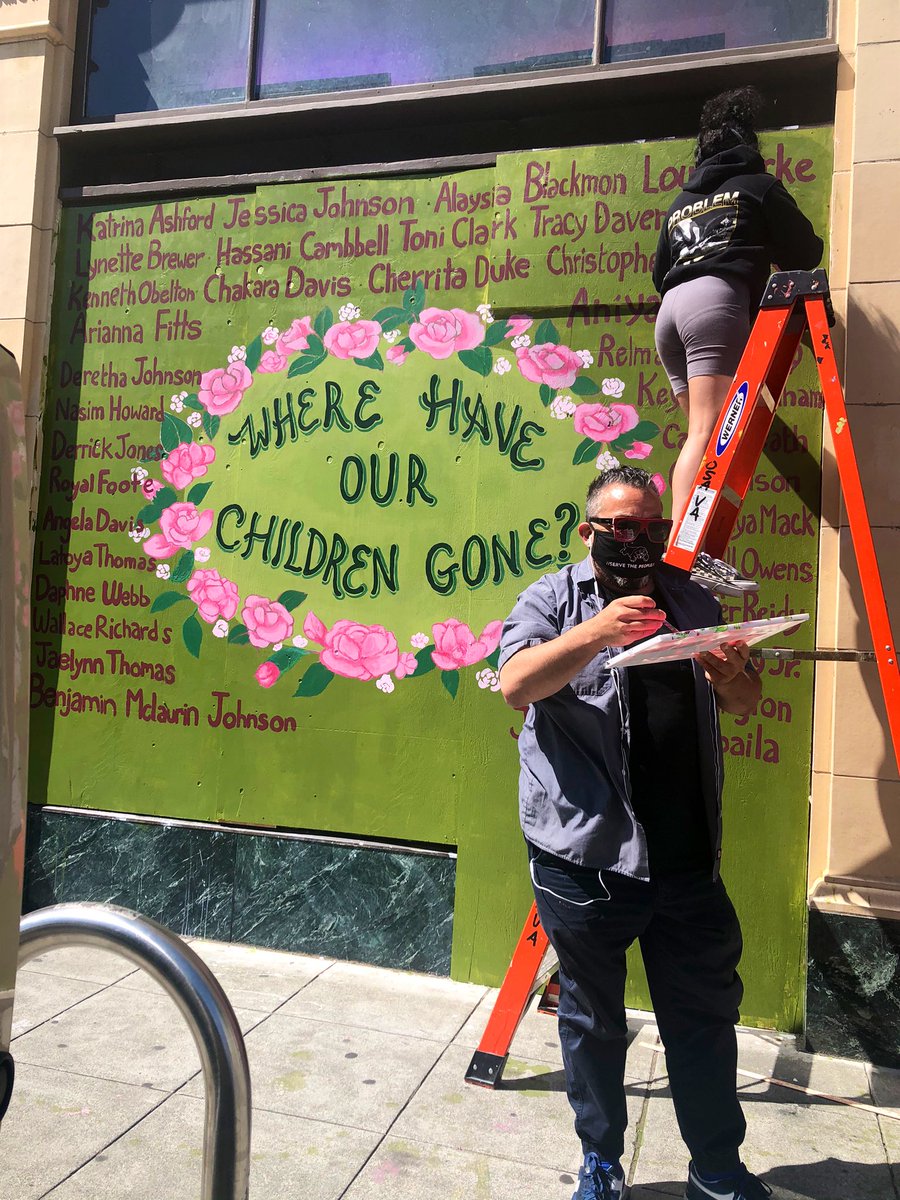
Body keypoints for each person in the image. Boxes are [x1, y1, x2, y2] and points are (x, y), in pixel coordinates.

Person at [499, 466, 766, 1200]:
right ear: (588, 531)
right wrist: (595, 633)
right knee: (593, 1019)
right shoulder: (551, 599)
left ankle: (715, 1166)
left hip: (685, 860)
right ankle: (600, 1163)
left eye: (649, 527)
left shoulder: (692, 600)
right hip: (586, 857)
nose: (636, 540)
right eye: (620, 527)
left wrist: (728, 673)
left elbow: (746, 701)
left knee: (704, 1017)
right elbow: (515, 683)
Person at [652, 86, 823, 597]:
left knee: (698, 436)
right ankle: (689, 553)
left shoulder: (681, 203)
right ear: (749, 144)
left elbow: (659, 270)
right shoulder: (757, 185)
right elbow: (806, 249)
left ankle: (685, 549)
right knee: (709, 432)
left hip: (671, 311)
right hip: (714, 304)